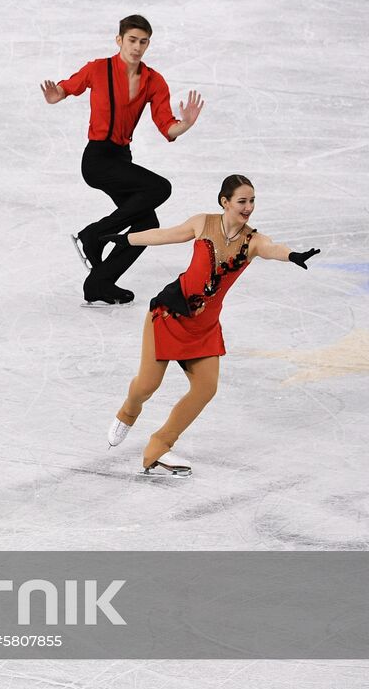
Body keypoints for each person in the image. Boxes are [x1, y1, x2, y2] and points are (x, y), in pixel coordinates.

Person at [103, 175, 320, 475]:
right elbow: (163, 235)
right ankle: (128, 412)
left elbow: (272, 248)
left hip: (203, 327)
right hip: (170, 313)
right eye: (242, 201)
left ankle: (158, 447)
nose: (248, 207)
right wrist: (126, 239)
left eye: (252, 201)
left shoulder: (252, 241)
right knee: (147, 385)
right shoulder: (202, 223)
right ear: (225, 202)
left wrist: (292, 255)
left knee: (206, 388)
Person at [40, 14, 204, 306]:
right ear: (119, 40)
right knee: (160, 188)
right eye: (132, 40)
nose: (137, 47)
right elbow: (69, 86)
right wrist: (57, 95)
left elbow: (166, 125)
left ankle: (99, 283)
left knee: (146, 227)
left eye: (143, 42)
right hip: (97, 158)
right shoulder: (98, 69)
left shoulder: (154, 81)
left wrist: (185, 124)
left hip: (121, 159)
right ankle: (94, 234)